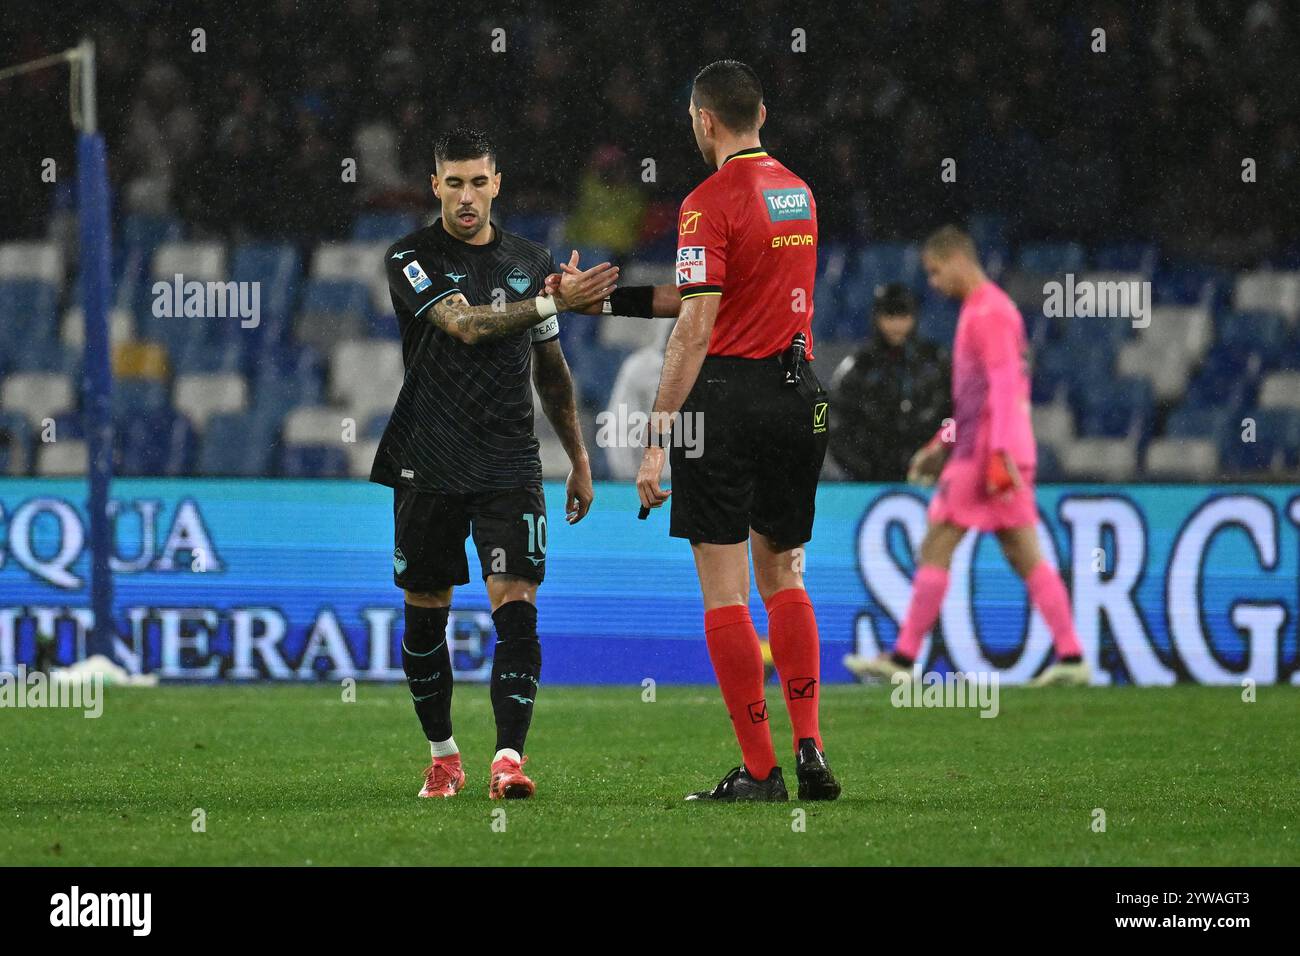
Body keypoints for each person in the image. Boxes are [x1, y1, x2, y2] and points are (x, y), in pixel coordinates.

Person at [557, 61, 840, 801]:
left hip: (727, 398)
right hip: (798, 392)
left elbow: (696, 323)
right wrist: (605, 304)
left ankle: (759, 771)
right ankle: (811, 751)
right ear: (763, 114)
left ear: (703, 120)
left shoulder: (707, 201)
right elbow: (711, 290)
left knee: (725, 593)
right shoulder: (799, 195)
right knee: (786, 571)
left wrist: (657, 438)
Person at [370, 127, 618, 800]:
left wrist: (579, 455)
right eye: (454, 183)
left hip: (510, 459)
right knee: (427, 612)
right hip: (429, 456)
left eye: (478, 182)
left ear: (497, 183)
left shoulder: (530, 258)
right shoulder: (410, 256)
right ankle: (443, 754)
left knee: (518, 605)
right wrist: (550, 301)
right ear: (435, 187)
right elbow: (465, 325)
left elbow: (552, 370)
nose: (467, 197)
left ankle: (507, 758)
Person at [843, 226, 1090, 687]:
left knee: (939, 539)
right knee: (1023, 552)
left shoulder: (988, 313)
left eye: (935, 273)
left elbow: (1003, 389)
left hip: (988, 455)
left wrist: (997, 455)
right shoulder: (983, 311)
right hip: (989, 448)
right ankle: (1073, 655)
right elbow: (972, 403)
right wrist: (942, 444)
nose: (933, 284)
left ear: (957, 259)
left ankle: (902, 661)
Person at [829, 282, 950, 481]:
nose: (896, 324)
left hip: (930, 477)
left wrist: (941, 455)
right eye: (889, 315)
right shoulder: (858, 367)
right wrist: (864, 470)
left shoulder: (936, 363)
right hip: (871, 480)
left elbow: (955, 415)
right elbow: (835, 426)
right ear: (876, 318)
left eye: (903, 315)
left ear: (914, 317)